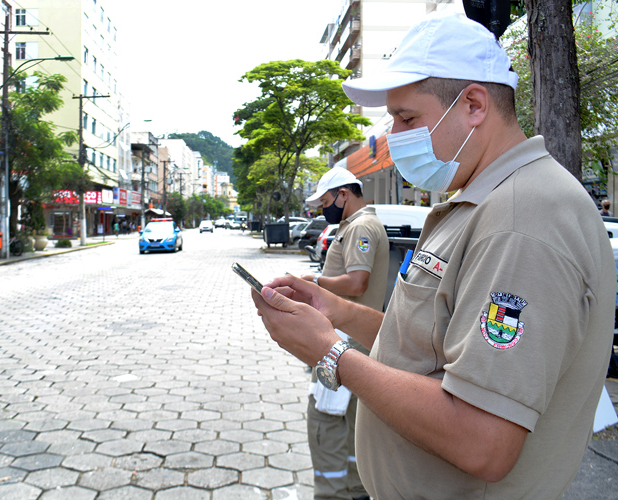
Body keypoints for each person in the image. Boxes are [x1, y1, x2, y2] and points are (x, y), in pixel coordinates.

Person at [251, 12, 616, 500]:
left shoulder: (523, 218)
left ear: (473, 105)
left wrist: (330, 353)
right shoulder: (478, 200)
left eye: (407, 118)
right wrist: (334, 311)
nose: (394, 134)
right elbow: (431, 347)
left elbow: (484, 441)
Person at [301, 167, 388, 500]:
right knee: (353, 422)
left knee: (324, 419)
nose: (324, 208)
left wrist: (314, 282)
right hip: (352, 340)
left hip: (343, 344)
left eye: (326, 201)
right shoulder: (355, 226)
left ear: (344, 194)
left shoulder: (361, 227)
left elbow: (356, 282)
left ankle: (331, 491)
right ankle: (356, 488)